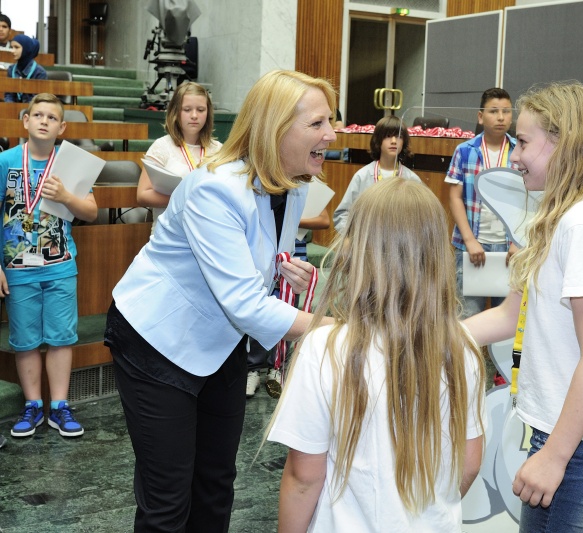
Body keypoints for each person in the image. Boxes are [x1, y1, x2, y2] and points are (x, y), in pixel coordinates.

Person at [103, 69, 337, 531]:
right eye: (317, 123)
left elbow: (253, 258)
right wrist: (342, 328)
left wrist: (282, 269)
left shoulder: (294, 184)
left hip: (219, 342)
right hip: (157, 340)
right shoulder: (214, 187)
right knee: (168, 499)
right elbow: (245, 304)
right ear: (274, 128)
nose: (331, 134)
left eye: (331, 121)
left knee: (215, 483)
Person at [463, 81, 583, 532]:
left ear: (563, 143)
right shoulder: (562, 217)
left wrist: (555, 456)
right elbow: (509, 315)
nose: (514, 156)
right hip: (571, 434)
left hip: (581, 443)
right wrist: (430, 335)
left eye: (523, 143)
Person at [267, 178, 486, 532]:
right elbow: (470, 463)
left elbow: (303, 477)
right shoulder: (464, 349)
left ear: (359, 252)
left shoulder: (324, 348)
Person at [0, 93, 99, 439]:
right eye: (38, 115)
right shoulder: (6, 161)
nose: (44, 121)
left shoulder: (71, 163)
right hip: (17, 268)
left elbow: (91, 211)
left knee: (61, 338)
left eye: (52, 117)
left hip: (60, 267)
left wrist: (67, 197)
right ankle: (32, 405)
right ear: (25, 120)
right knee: (25, 340)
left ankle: (59, 406)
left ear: (62, 127)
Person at [446, 87, 517, 318]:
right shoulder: (465, 151)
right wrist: (470, 240)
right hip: (471, 246)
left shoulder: (520, 151)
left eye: (506, 111)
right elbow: (455, 197)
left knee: (505, 320)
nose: (500, 117)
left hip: (510, 249)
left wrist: (519, 242)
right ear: (480, 116)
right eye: (493, 111)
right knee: (467, 317)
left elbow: (528, 200)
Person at [246, 206, 331, 399]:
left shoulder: (305, 192)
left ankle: (276, 367)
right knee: (262, 311)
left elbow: (324, 220)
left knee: (288, 311)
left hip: (294, 262)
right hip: (267, 260)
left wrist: (292, 219)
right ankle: (252, 368)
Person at [137, 81, 222, 233]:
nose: (194, 115)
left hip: (206, 233)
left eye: (201, 110)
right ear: (176, 112)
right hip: (169, 234)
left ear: (208, 113)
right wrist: (186, 199)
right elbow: (142, 195)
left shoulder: (218, 149)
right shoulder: (161, 147)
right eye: (187, 110)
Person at [333, 115, 420, 233]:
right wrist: (351, 238)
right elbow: (342, 215)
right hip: (366, 240)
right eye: (388, 136)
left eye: (399, 137)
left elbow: (421, 218)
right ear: (378, 141)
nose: (394, 141)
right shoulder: (362, 176)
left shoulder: (412, 179)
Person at [4, 35, 47, 104]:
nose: (12, 51)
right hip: (12, 108)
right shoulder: (11, 69)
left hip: (32, 109)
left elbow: (39, 99)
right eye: (12, 47)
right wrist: (11, 107)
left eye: (16, 47)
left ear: (26, 49)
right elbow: (9, 95)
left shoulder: (40, 72)